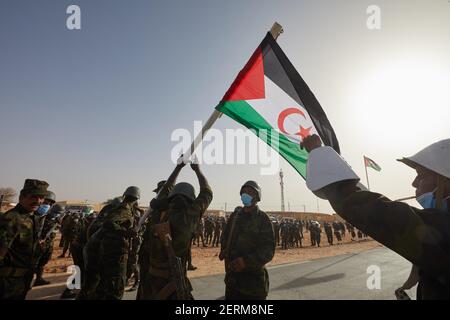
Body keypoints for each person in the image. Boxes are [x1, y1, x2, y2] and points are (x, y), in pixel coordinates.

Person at [302, 135, 450, 299]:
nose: (415, 183)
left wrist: (318, 153)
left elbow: (372, 210)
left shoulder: (443, 227)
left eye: (422, 175)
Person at [144, 159, 212, 299]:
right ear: (190, 199)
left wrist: (178, 167)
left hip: (151, 280)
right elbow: (207, 193)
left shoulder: (158, 212)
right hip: (173, 282)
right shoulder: (189, 215)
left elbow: (165, 189)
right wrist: (197, 170)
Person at [220, 181, 275, 300]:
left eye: (250, 192)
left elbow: (268, 251)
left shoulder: (263, 219)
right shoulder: (235, 217)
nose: (246, 194)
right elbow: (225, 236)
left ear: (257, 196)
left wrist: (246, 262)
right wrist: (224, 249)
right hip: (232, 283)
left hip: (253, 286)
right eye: (243, 192)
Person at [0, 179, 49, 299]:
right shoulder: (11, 219)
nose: (38, 201)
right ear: (22, 197)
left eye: (41, 197)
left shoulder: (32, 218)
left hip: (23, 280)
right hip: (7, 283)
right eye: (34, 197)